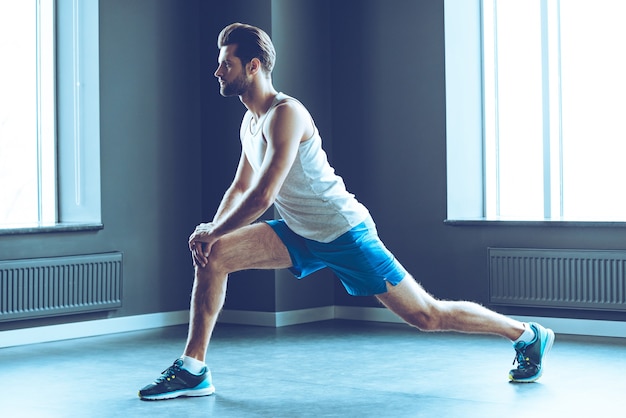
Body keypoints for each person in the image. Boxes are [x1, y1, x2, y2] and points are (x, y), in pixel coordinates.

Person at [138, 22, 555, 401]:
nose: (217, 72)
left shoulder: (286, 114)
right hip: (301, 230)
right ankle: (193, 369)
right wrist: (212, 231)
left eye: (225, 64)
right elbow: (240, 187)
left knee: (426, 315)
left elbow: (263, 195)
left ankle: (525, 335)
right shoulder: (250, 122)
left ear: (253, 66)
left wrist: (212, 230)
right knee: (214, 256)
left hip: (342, 230)